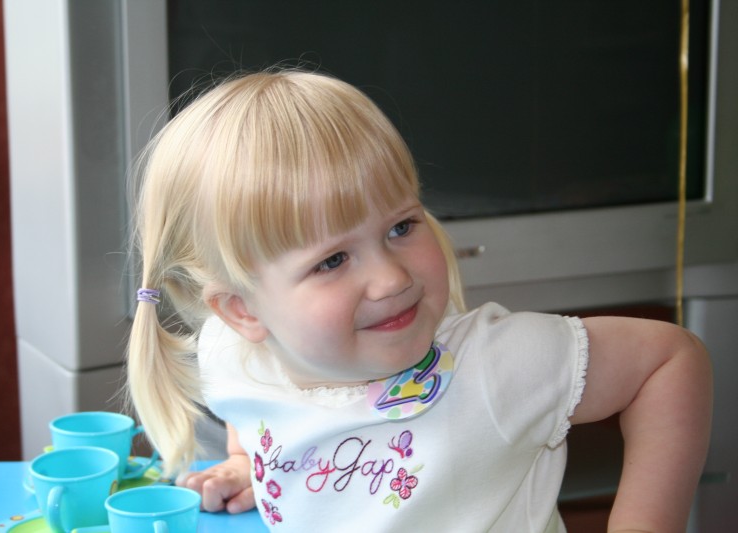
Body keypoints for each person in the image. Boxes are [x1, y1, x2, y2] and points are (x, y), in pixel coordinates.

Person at [126, 69, 712, 532]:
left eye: (401, 227)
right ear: (244, 311)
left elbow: (667, 360)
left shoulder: (494, 368)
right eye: (332, 260)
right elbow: (247, 405)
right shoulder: (230, 351)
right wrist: (244, 461)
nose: (390, 278)